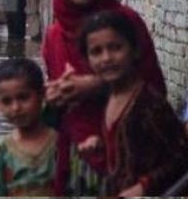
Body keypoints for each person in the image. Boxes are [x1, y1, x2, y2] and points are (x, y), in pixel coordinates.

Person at [41, 0, 165, 195]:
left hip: (131, 157)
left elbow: (155, 90)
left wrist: (96, 85)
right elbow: (55, 116)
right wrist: (51, 99)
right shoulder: (54, 36)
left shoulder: (126, 23)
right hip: (75, 158)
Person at [78, 10, 188, 196]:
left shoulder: (149, 105)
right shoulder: (108, 97)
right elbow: (132, 147)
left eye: (116, 48)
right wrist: (100, 144)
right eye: (96, 52)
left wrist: (144, 186)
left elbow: (181, 159)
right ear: (87, 59)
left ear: (135, 50)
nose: (106, 58)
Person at [0, 58, 57, 196]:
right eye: (7, 101)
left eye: (23, 98)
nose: (16, 108)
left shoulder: (61, 144)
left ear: (42, 94)